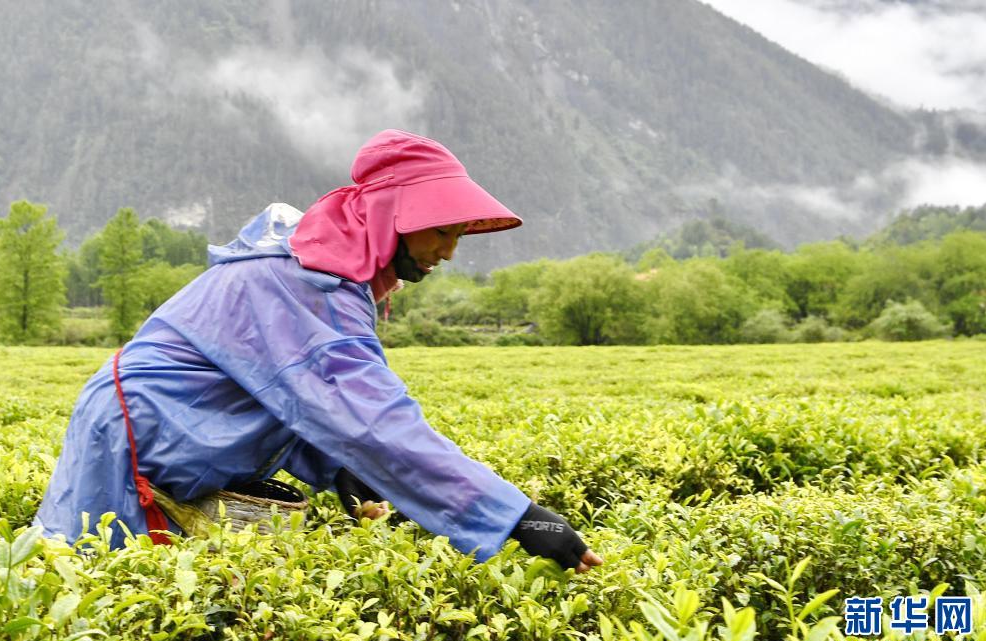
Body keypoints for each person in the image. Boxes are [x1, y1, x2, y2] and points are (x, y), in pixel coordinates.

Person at [35, 130, 603, 574]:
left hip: (163, 431)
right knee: (98, 582)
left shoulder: (325, 272)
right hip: (137, 436)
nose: (448, 251)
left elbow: (294, 401)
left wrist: (341, 473)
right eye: (440, 231)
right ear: (393, 220)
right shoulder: (308, 282)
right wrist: (517, 517)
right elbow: (371, 422)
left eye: (457, 235)